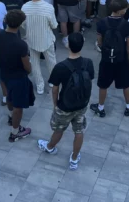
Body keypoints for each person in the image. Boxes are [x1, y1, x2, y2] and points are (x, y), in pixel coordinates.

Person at [38, 32, 95, 171]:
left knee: (59, 129)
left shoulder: (61, 67)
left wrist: (55, 104)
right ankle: (74, 159)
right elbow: (89, 81)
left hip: (64, 106)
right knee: (79, 131)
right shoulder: (88, 63)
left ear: (68, 45)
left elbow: (55, 89)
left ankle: (50, 147)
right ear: (82, 45)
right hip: (82, 105)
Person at [90, 0, 129, 118]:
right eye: (125, 8)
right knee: (126, 83)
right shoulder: (126, 25)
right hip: (122, 60)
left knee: (103, 84)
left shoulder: (102, 23)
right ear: (121, 10)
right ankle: (128, 106)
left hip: (106, 59)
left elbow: (99, 42)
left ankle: (100, 108)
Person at [0, 9, 33, 143]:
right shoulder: (21, 45)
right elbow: (27, 68)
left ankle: (11, 118)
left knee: (9, 96)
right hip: (18, 77)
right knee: (18, 107)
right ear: (20, 24)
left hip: (4, 73)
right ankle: (15, 133)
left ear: (5, 21)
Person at [22, 0, 58, 94]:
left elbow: (23, 25)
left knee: (34, 64)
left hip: (32, 40)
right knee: (51, 61)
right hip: (47, 39)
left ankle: (39, 86)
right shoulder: (49, 7)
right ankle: (53, 81)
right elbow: (54, 25)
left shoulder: (24, 7)